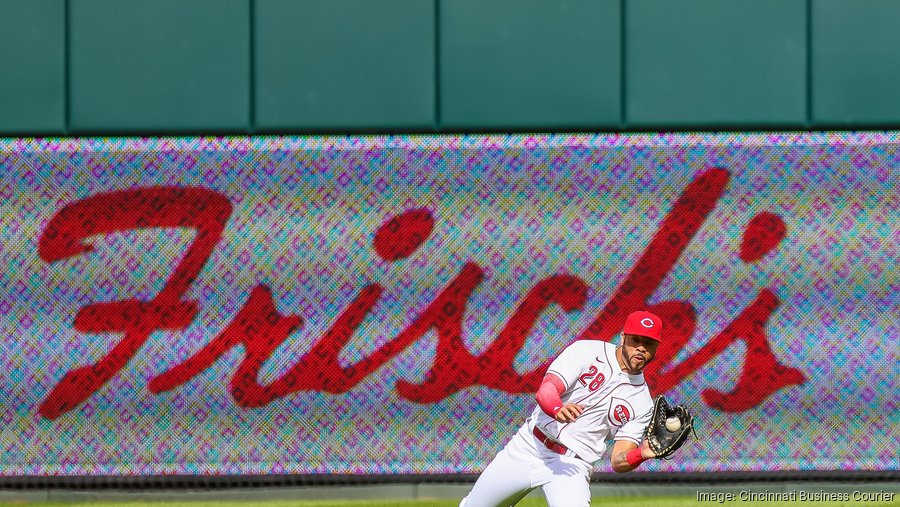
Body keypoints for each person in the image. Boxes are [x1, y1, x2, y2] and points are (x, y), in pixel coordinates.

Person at [460, 311, 667, 507]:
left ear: (656, 349)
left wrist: (642, 454)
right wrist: (556, 408)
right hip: (529, 446)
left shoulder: (642, 403)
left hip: (572, 466)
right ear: (623, 338)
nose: (641, 348)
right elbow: (547, 388)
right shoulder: (588, 351)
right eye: (635, 340)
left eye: (648, 343)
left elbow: (618, 461)